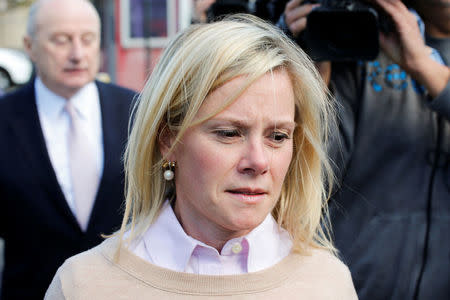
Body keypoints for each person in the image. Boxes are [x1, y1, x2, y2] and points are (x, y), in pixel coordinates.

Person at [44, 15, 358, 299]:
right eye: (229, 133)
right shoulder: (84, 286)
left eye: (277, 136)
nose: (259, 161)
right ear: (168, 139)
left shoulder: (327, 283)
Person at [276, 0, 449, 299]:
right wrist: (306, 71)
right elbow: (312, 180)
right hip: (354, 284)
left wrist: (424, 66)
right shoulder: (358, 34)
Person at [0, 0, 136, 299]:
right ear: (29, 46)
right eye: (61, 41)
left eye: (87, 39)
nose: (77, 54)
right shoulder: (4, 119)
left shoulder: (135, 112)